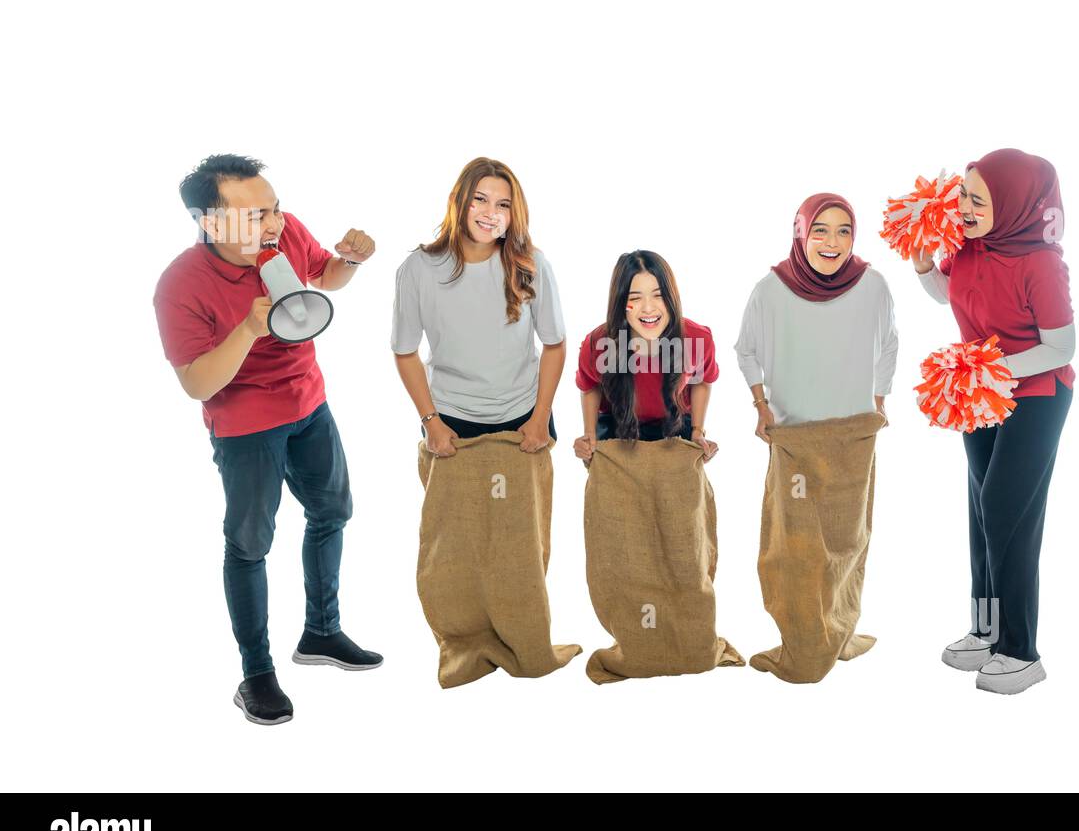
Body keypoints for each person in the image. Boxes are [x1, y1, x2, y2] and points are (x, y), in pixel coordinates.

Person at [153, 154, 383, 727]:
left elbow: (325, 276)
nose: (275, 223)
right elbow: (196, 383)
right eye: (256, 215)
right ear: (211, 224)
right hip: (246, 427)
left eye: (275, 207)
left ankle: (321, 634)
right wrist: (249, 329)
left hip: (309, 403)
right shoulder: (180, 284)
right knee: (250, 543)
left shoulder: (283, 231)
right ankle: (256, 672)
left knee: (333, 511)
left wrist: (349, 261)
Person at [913, 148, 1076, 695]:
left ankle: (1022, 651)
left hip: (1037, 393)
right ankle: (986, 633)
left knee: (1009, 511)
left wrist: (991, 366)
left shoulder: (1041, 263)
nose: (962, 205)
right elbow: (946, 291)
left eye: (977, 199)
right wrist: (920, 261)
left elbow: (1062, 346)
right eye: (962, 193)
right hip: (977, 390)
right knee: (981, 508)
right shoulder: (969, 246)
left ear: (1010, 204)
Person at [392, 157, 564, 450]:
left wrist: (540, 417)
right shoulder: (418, 269)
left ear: (513, 214)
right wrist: (431, 421)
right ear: (457, 201)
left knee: (525, 498)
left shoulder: (532, 264)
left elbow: (555, 344)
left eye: (503, 205)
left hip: (524, 417)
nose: (490, 213)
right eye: (480, 199)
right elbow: (405, 352)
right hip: (450, 419)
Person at [735, 192, 898, 434]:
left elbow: (889, 344)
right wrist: (761, 406)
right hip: (791, 432)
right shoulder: (769, 290)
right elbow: (746, 350)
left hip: (855, 432)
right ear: (801, 234)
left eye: (844, 231)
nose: (833, 242)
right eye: (820, 230)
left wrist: (880, 401)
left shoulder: (873, 285)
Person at [572, 250, 720, 461]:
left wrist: (698, 430)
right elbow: (589, 386)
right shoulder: (598, 344)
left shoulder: (697, 338)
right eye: (635, 299)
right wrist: (589, 435)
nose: (648, 308)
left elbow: (703, 380)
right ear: (621, 304)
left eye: (658, 296)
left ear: (672, 298)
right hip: (619, 426)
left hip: (675, 425)